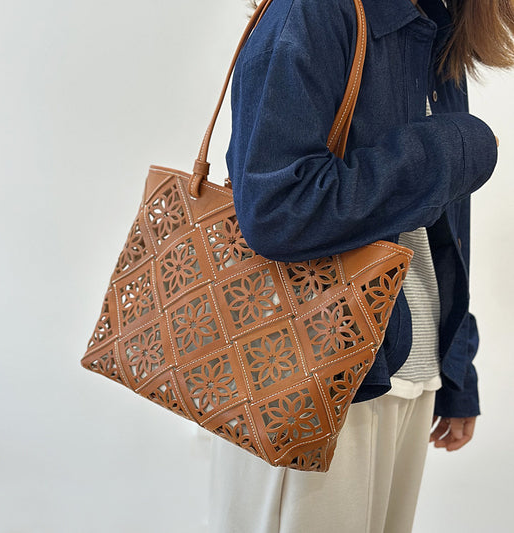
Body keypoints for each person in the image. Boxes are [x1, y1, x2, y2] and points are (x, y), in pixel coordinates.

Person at [207, 0, 513, 532]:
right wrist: (455, 147)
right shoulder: (314, 11)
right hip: (310, 372)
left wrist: (456, 367)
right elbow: (278, 210)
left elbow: (440, 230)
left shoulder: (435, 18)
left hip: (411, 371)